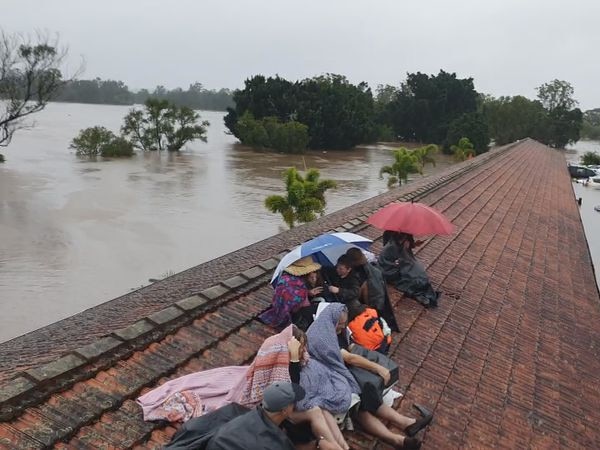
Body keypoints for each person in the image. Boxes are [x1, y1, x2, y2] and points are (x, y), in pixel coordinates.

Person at [138, 325, 345, 450]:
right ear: (284, 408)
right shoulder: (275, 443)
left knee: (318, 411)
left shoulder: (234, 413)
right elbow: (293, 387)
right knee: (317, 412)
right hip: (269, 424)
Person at [305, 303, 432, 449]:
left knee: (368, 396)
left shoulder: (337, 331)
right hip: (329, 379)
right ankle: (397, 439)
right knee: (360, 409)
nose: (342, 327)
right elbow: (348, 357)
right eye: (339, 324)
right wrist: (378, 368)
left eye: (344, 323)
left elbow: (351, 348)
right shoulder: (322, 337)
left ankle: (407, 423)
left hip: (341, 374)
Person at [378, 231, 440, 308]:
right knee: (412, 280)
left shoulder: (403, 242)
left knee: (419, 275)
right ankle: (418, 294)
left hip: (402, 265)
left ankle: (425, 290)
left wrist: (414, 244)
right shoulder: (391, 246)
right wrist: (398, 263)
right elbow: (388, 264)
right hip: (390, 271)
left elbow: (405, 253)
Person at [345, 247, 399, 332]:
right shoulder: (369, 269)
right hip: (376, 305)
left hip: (373, 306)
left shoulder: (368, 275)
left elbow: (372, 296)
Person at [260, 256, 322, 329]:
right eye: (313, 272)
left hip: (280, 311)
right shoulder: (298, 286)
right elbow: (295, 307)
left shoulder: (286, 278)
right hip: (289, 318)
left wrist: (308, 293)